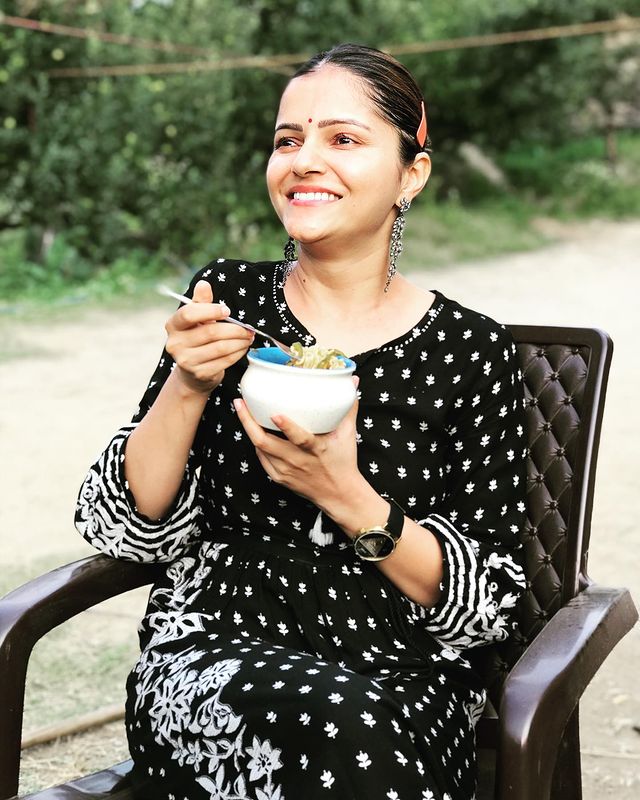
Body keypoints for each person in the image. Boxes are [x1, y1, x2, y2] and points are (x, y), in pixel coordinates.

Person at [76, 43, 527, 800]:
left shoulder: (470, 350)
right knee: (345, 738)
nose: (305, 160)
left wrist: (343, 494)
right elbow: (128, 522)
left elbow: (492, 600)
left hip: (405, 673)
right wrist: (189, 381)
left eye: (343, 139)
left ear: (411, 175)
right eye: (288, 140)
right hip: (216, 653)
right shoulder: (227, 300)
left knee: (366, 740)